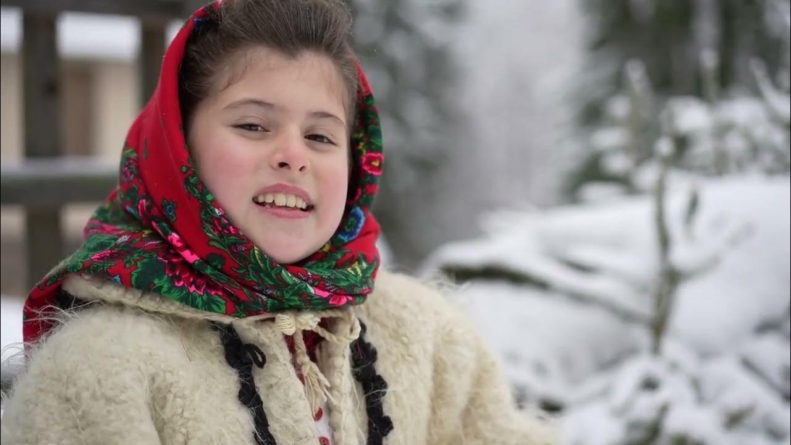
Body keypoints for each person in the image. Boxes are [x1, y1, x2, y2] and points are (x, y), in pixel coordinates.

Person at [0, 1, 558, 444]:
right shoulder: (101, 371)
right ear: (177, 151)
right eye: (253, 125)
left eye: (320, 136)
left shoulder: (430, 342)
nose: (294, 155)